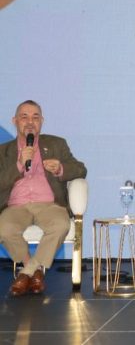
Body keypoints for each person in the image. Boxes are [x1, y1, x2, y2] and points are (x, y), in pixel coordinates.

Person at [0, 100, 87, 296]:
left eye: (35, 117)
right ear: (14, 121)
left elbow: (80, 169)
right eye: (24, 117)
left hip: (49, 204)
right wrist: (19, 165)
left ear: (42, 121)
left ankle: (26, 273)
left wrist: (60, 168)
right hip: (15, 206)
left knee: (61, 225)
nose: (30, 122)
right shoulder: (3, 151)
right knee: (4, 228)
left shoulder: (56, 144)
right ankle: (36, 272)